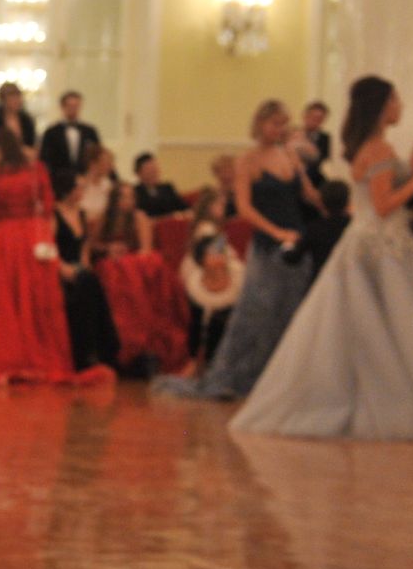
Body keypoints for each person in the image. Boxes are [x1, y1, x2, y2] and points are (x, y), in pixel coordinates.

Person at [231, 75, 413, 439]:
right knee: (388, 329)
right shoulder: (378, 148)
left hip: (370, 242)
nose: (400, 107)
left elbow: (386, 185)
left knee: (366, 330)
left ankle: (360, 400)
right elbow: (384, 206)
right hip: (381, 245)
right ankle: (385, 406)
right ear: (382, 107)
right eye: (396, 101)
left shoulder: (371, 145)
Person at [155, 100, 318, 402]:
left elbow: (308, 195)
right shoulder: (248, 161)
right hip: (269, 247)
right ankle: (245, 377)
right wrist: (276, 232)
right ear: (259, 125)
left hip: (298, 242)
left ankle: (285, 380)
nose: (279, 129)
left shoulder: (290, 156)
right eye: (274, 123)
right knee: (260, 314)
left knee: (293, 311)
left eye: (284, 123)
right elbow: (244, 207)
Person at [0, 128, 107, 384]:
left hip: (5, 239)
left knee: (0, 301)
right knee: (36, 299)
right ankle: (36, 358)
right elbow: (48, 205)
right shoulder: (36, 170)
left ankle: (1, 358)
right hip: (33, 238)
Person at [89, 180, 188, 374]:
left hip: (135, 269)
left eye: (132, 197)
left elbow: (145, 250)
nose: (129, 201)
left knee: (128, 275)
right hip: (110, 266)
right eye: (124, 197)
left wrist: (124, 258)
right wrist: (109, 250)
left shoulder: (139, 217)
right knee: (108, 272)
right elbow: (93, 245)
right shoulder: (104, 219)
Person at [51, 169, 123, 373]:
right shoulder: (53, 215)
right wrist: (66, 269)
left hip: (79, 271)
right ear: (68, 190)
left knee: (91, 283)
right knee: (90, 286)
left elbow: (84, 248)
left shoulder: (80, 214)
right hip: (60, 270)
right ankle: (92, 351)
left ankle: (98, 350)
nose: (82, 190)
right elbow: (50, 248)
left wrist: (83, 267)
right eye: (79, 187)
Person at [181, 232, 243, 376]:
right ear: (201, 259)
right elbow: (195, 325)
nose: (218, 256)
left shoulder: (240, 278)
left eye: (220, 252)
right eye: (213, 253)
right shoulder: (195, 286)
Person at [38, 89, 100, 175]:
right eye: (70, 106)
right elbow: (46, 161)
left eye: (76, 106)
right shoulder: (51, 133)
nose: (73, 109)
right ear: (62, 107)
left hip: (86, 179)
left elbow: (97, 157)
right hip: (59, 181)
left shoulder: (90, 131)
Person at [0, 81, 35, 167]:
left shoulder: (27, 121)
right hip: (2, 170)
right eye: (12, 97)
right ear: (3, 100)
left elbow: (33, 151)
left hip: (24, 168)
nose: (16, 101)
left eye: (18, 97)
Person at [131, 152, 188, 218]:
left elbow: (183, 207)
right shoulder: (135, 192)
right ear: (138, 173)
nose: (154, 172)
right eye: (149, 170)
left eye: (155, 168)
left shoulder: (167, 188)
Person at [295, 100, 331, 189]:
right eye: (313, 117)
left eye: (320, 119)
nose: (316, 122)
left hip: (314, 179)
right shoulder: (293, 134)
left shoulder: (325, 138)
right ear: (305, 116)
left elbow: (321, 160)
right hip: (293, 178)